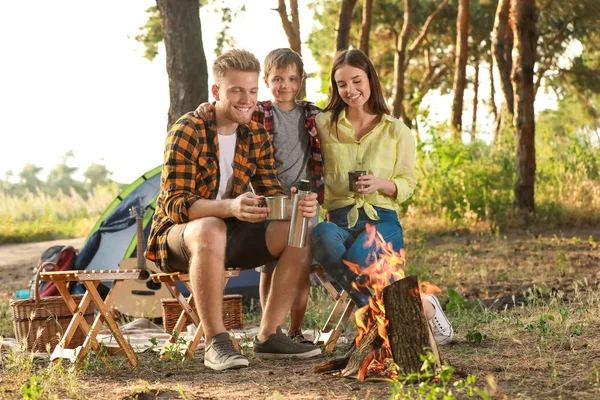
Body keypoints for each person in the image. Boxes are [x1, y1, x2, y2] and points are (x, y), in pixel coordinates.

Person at [145, 49, 322, 372]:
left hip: (231, 234)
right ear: (216, 92)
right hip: (179, 239)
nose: (247, 99)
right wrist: (229, 206)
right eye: (237, 90)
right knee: (211, 226)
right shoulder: (188, 129)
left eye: (253, 91)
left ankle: (268, 334)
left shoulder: (255, 133)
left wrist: (296, 201)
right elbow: (176, 206)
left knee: (299, 227)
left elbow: (270, 190)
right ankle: (216, 341)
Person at [311, 49, 453, 345]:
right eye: (342, 84)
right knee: (321, 235)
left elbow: (407, 183)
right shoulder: (324, 124)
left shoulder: (396, 130)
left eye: (357, 81)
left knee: (363, 256)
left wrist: (380, 183)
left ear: (371, 80)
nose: (350, 90)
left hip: (382, 219)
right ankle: (414, 306)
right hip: (339, 219)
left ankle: (376, 320)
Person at [194, 48, 322, 344]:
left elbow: (337, 126)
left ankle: (293, 331)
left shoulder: (312, 114)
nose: (285, 86)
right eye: (278, 79)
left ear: (300, 81)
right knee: (268, 267)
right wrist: (208, 107)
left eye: (292, 79)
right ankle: (270, 326)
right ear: (267, 80)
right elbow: (228, 107)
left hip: (302, 200)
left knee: (300, 263)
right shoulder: (259, 111)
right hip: (269, 199)